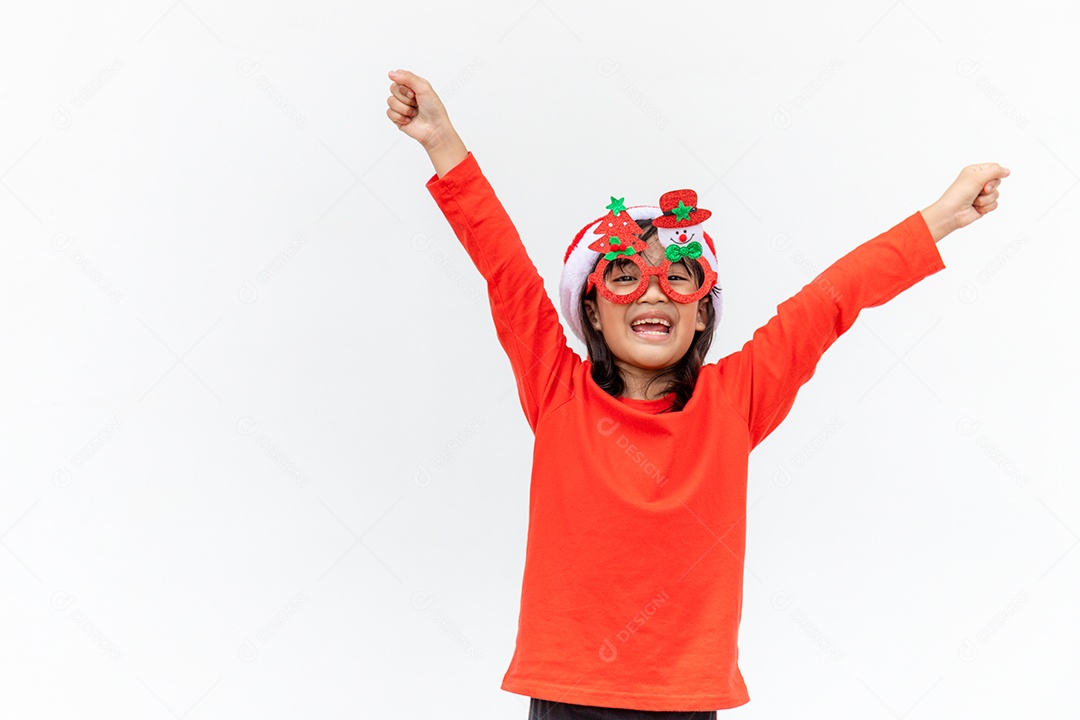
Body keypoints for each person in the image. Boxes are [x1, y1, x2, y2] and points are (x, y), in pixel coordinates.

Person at [385, 68, 1009, 717]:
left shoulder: (736, 397)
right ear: (592, 310)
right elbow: (501, 264)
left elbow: (831, 300)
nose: (653, 292)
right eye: (626, 277)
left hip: (685, 699)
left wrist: (939, 217)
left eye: (678, 280)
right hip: (570, 692)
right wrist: (442, 143)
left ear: (703, 312)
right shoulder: (556, 387)